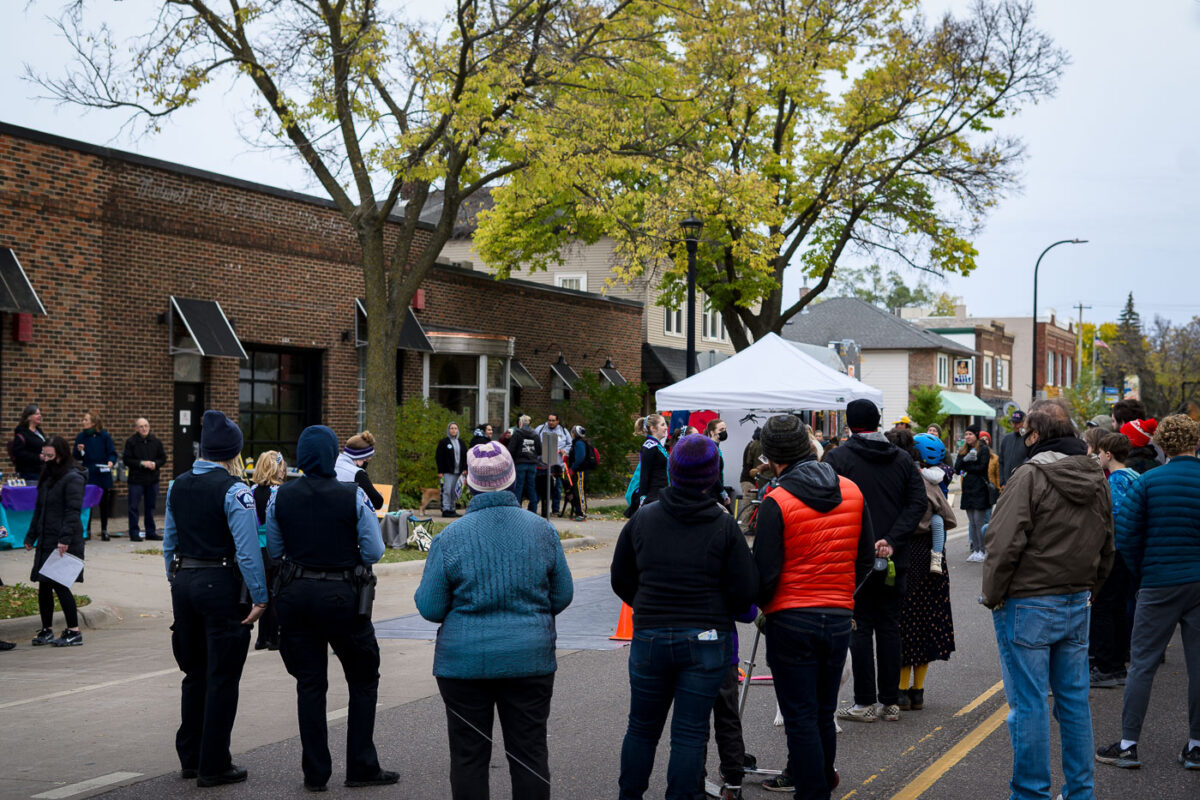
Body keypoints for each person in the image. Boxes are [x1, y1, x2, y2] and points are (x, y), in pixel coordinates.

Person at [415, 441, 572, 800]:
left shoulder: (450, 537)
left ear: (469, 483)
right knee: (529, 752)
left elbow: (430, 607)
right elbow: (562, 595)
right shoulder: (542, 530)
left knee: (468, 756)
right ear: (513, 479)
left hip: (464, 663)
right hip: (529, 658)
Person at [611, 434, 758, 800]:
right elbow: (744, 591)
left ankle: (629, 795)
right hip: (706, 638)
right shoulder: (724, 526)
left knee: (641, 728)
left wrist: (645, 605)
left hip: (651, 635)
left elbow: (621, 579)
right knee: (689, 733)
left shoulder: (643, 519)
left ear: (672, 471)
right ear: (711, 477)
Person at [982, 398, 1113, 800]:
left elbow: (1003, 544)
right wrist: (1091, 590)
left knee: (1030, 705)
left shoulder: (1029, 475)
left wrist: (993, 595)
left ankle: (1031, 794)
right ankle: (1080, 792)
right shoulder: (1097, 476)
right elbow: (1109, 544)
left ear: (1035, 435)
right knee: (1073, 703)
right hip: (1076, 599)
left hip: (1029, 602)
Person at [266, 425, 397, 791]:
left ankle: (316, 773)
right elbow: (373, 552)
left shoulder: (280, 496)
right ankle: (361, 765)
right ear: (329, 455)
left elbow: (275, 551)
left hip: (295, 595)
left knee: (310, 684)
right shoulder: (352, 496)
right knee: (363, 678)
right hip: (343, 597)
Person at [753, 415, 874, 800]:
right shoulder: (852, 491)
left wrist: (763, 605)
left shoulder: (777, 500)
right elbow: (866, 557)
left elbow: (765, 573)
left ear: (771, 457)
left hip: (790, 618)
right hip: (838, 615)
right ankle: (821, 780)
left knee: (800, 716)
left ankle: (812, 791)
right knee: (824, 712)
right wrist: (844, 592)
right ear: (809, 447)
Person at [162, 410, 268, 787]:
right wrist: (260, 597)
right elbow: (248, 551)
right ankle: (214, 764)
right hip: (221, 584)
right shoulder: (235, 490)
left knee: (194, 673)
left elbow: (168, 543)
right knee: (222, 677)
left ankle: (190, 757)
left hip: (185, 582)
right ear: (233, 452)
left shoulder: (177, 485)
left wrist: (175, 580)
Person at [1096, 414, 1200, 772]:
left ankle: (1128, 744)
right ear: (1195, 442)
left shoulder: (1149, 482)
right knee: (1198, 666)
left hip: (1158, 581)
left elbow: (1128, 535)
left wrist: (1143, 573)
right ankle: (1196, 745)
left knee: (1141, 664)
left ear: (1162, 444)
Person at [825, 399, 924, 724]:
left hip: (853, 557)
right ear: (879, 421)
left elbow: (827, 503)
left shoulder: (838, 458)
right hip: (895, 557)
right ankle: (890, 701)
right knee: (890, 625)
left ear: (850, 425)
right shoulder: (903, 460)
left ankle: (864, 702)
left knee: (860, 626)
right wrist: (892, 540)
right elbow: (917, 503)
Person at [897, 431, 957, 713]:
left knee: (903, 625)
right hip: (932, 560)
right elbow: (946, 518)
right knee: (926, 625)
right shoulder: (932, 483)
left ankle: (898, 691)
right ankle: (917, 692)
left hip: (905, 554)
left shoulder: (903, 480)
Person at [26, 436, 87, 647]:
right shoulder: (48, 476)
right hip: (46, 538)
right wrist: (31, 535)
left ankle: (74, 630)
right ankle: (47, 629)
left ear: (60, 455)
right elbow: (39, 509)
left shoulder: (73, 478)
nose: (46, 459)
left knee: (60, 585)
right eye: (44, 454)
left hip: (64, 540)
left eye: (50, 456)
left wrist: (64, 539)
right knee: (44, 585)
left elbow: (73, 511)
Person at [1089, 432, 1137, 688]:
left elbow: (1113, 517)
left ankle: (1107, 666)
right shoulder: (1134, 476)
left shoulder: (1116, 480)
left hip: (1114, 552)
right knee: (1118, 607)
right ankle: (1117, 664)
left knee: (1104, 608)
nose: (1097, 457)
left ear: (1108, 454)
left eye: (1099, 453)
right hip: (1128, 553)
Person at [250, 451, 286, 652]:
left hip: (257, 547)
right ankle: (274, 637)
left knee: (262, 592)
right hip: (273, 546)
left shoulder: (253, 490)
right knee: (275, 592)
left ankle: (261, 637)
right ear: (277, 468)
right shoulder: (279, 492)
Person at [74, 409, 118, 541]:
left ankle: (104, 529)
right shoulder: (81, 437)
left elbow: (112, 452)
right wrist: (80, 451)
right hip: (89, 472)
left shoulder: (104, 436)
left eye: (86, 420)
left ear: (93, 423)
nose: (83, 422)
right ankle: (86, 530)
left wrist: (111, 461)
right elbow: (75, 456)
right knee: (88, 502)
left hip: (102, 472)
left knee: (104, 502)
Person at [123, 417, 167, 542]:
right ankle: (134, 532)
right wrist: (142, 463)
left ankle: (151, 532)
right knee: (133, 507)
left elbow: (163, 458)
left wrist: (155, 464)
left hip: (152, 479)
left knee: (151, 507)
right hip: (136, 480)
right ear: (136, 428)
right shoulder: (131, 442)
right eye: (141, 426)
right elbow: (126, 460)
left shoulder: (156, 441)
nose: (144, 428)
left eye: (146, 426)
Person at [955, 424, 993, 563]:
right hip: (968, 489)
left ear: (976, 435)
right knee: (972, 522)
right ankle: (975, 549)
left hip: (980, 489)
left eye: (970, 434)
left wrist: (968, 466)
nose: (968, 437)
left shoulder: (983, 449)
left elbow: (982, 467)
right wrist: (965, 460)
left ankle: (982, 550)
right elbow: (957, 468)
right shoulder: (964, 449)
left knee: (979, 522)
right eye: (966, 434)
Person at [626, 414, 669, 517]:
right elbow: (644, 474)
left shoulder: (658, 446)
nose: (666, 427)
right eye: (662, 425)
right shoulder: (649, 447)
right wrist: (643, 497)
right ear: (653, 428)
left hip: (661, 492)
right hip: (653, 495)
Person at [534, 413, 573, 516]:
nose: (550, 422)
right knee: (540, 487)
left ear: (557, 421)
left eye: (553, 420)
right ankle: (535, 508)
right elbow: (533, 440)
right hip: (542, 465)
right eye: (549, 420)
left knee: (557, 487)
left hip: (557, 465)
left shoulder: (563, 431)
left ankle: (555, 509)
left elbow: (570, 444)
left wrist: (564, 450)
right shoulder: (540, 429)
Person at [335, 431, 385, 509]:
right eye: (366, 459)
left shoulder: (332, 462)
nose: (367, 461)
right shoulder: (357, 474)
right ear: (361, 457)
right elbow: (378, 502)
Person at [507, 415, 541, 511]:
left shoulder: (517, 433)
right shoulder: (535, 434)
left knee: (519, 486)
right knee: (531, 486)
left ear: (520, 423)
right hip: (532, 464)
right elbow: (539, 450)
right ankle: (533, 509)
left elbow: (511, 449)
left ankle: (517, 509)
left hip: (520, 463)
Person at [435, 422, 468, 518]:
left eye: (455, 428)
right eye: (452, 428)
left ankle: (452, 509)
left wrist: (465, 468)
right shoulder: (444, 442)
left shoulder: (461, 442)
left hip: (459, 472)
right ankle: (445, 509)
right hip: (447, 472)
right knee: (447, 491)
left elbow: (465, 456)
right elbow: (439, 457)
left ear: (458, 430)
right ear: (448, 430)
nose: (454, 430)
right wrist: (440, 471)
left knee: (455, 492)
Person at [10, 403, 47, 481]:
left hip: (40, 471)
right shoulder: (22, 433)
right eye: (37, 414)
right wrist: (38, 457)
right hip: (29, 473)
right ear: (29, 417)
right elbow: (18, 452)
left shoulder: (39, 431)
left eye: (40, 414)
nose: (40, 416)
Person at [566, 424, 592, 521]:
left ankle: (581, 514)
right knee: (577, 491)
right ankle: (578, 512)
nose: (571, 433)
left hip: (580, 471)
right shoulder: (578, 443)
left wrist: (572, 468)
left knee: (579, 491)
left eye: (572, 432)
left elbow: (580, 458)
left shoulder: (579, 443)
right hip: (578, 471)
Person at [705, 418, 732, 510]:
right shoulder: (711, 448)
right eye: (721, 430)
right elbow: (714, 474)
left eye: (725, 429)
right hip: (712, 492)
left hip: (715, 491)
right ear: (712, 432)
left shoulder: (715, 447)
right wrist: (723, 494)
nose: (724, 432)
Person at [997, 410, 1027, 489]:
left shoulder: (1029, 439)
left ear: (1024, 422)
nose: (1014, 425)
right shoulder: (1006, 439)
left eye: (1017, 423)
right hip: (1006, 485)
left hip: (1022, 484)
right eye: (1013, 422)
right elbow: (1001, 461)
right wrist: (1002, 481)